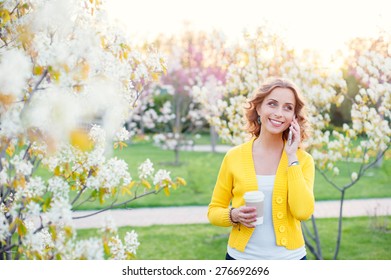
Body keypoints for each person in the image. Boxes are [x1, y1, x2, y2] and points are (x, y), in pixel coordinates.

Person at [207, 77, 315, 260]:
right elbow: (214, 210)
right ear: (258, 108)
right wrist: (233, 215)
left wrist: (291, 157)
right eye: (272, 104)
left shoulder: (302, 160)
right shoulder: (234, 157)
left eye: (288, 107)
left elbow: (303, 212)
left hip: (291, 260)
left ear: (294, 118)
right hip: (241, 259)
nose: (279, 113)